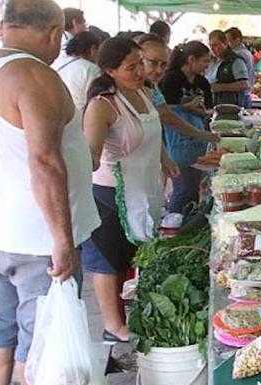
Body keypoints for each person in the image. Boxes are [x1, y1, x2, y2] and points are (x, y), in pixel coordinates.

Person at [0, 0, 100, 385]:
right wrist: (63, 239)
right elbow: (45, 161)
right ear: (55, 33)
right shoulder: (33, 75)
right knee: (42, 344)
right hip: (37, 241)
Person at [81, 37, 179, 343]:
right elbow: (92, 154)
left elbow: (153, 132)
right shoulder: (102, 106)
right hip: (111, 196)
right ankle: (113, 325)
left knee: (130, 257)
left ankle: (126, 313)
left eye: (141, 63)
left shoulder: (145, 93)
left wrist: (166, 160)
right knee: (108, 262)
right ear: (110, 70)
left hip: (146, 188)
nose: (140, 71)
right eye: (131, 66)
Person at [160, 41, 214, 215]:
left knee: (193, 187)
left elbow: (208, 107)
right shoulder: (170, 79)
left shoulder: (202, 82)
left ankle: (187, 220)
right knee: (183, 188)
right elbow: (165, 113)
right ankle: (172, 226)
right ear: (191, 59)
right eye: (204, 61)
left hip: (197, 139)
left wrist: (202, 112)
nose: (207, 65)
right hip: (176, 141)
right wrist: (186, 107)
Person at [137, 34, 218, 145]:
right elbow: (167, 115)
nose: (159, 70)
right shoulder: (114, 96)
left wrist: (202, 134)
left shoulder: (152, 87)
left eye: (164, 64)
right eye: (153, 62)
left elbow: (166, 114)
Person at [52, 31, 102, 111]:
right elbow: (97, 102)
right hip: (81, 117)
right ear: (93, 49)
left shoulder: (55, 63)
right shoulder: (91, 69)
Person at [207, 30, 251, 107]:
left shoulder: (236, 61)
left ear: (225, 43)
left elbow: (244, 84)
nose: (213, 48)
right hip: (215, 106)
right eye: (211, 46)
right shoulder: (213, 61)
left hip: (231, 108)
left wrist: (220, 87)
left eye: (216, 45)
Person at [225, 27, 255, 106]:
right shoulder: (247, 52)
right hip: (246, 94)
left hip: (240, 95)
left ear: (237, 40)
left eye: (228, 40)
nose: (226, 44)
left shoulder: (238, 55)